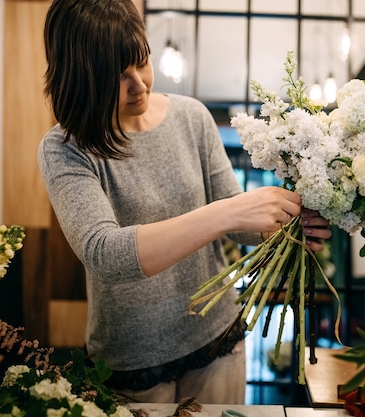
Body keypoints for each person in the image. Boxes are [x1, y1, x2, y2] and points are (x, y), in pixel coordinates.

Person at [38, 0, 332, 405]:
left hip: (218, 340)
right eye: (117, 77)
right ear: (81, 79)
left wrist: (288, 222)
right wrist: (227, 211)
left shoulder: (192, 117)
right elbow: (105, 254)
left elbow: (242, 224)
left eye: (142, 63)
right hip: (133, 356)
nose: (139, 84)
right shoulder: (65, 148)